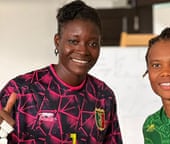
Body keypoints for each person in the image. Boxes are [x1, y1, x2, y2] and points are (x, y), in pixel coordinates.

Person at [0, 0, 123, 143]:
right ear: (58, 41)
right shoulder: (21, 90)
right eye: (74, 41)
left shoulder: (103, 95)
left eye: (92, 44)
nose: (83, 50)